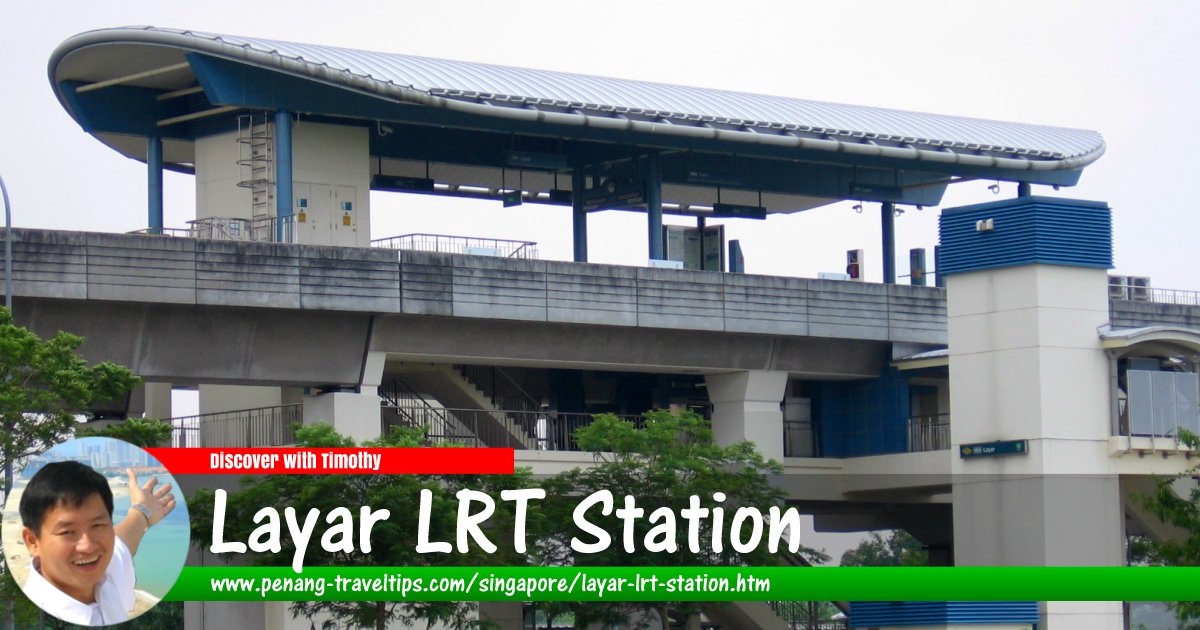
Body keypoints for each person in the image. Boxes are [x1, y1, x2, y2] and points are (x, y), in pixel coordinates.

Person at [18, 460, 176, 626]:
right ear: (32, 541)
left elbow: (122, 543)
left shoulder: (104, 574)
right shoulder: (35, 616)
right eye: (67, 532)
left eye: (98, 525)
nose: (88, 546)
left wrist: (143, 510)